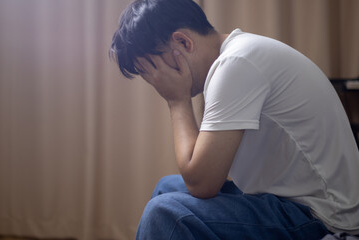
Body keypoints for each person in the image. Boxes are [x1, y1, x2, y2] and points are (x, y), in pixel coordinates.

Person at [110, 0, 359, 239]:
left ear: (183, 42)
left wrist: (177, 100)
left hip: (322, 215)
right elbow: (203, 172)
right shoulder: (237, 56)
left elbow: (202, 183)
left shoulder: (236, 63)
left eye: (153, 69)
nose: (156, 82)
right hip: (287, 201)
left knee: (164, 214)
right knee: (167, 188)